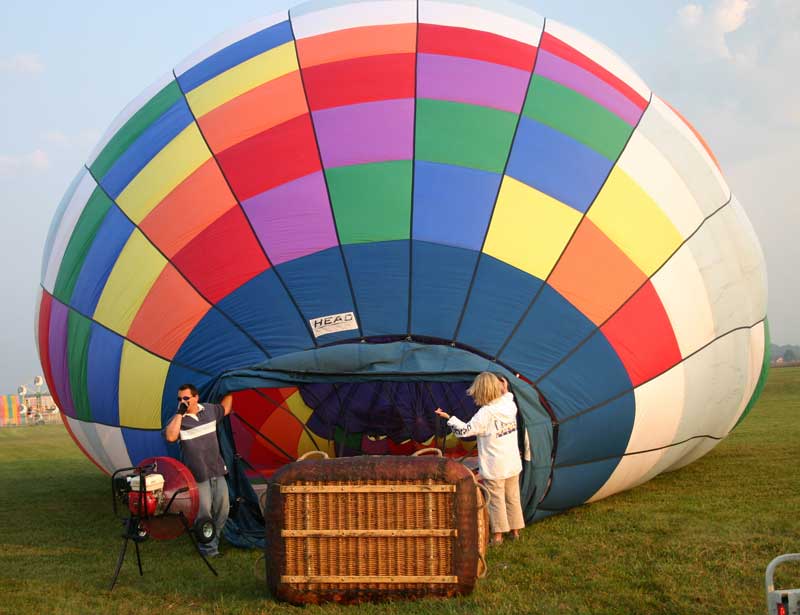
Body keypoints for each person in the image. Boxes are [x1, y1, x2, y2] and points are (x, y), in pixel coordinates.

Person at [434, 372, 524, 545]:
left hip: (495, 465)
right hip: (512, 462)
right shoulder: (509, 405)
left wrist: (449, 418)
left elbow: (466, 431)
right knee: (513, 497)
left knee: (496, 499)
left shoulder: (486, 413)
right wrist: (504, 387)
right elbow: (507, 395)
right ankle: (515, 531)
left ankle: (497, 535)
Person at [164, 384, 233, 557]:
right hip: (197, 474)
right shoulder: (179, 420)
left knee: (223, 510)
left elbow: (225, 408)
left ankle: (213, 541)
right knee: (204, 513)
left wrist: (231, 387)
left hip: (217, 470)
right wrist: (180, 413)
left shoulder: (209, 411)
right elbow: (171, 436)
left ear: (196, 397)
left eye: (186, 398)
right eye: (179, 399)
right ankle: (209, 549)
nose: (183, 401)